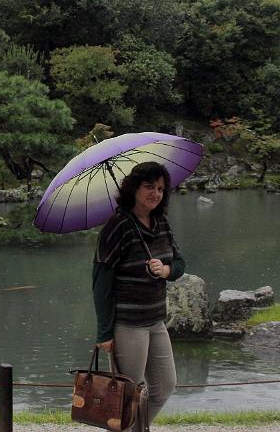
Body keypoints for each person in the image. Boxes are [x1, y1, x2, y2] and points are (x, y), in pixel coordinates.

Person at [93, 161, 185, 426]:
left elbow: (180, 263)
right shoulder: (117, 226)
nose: (155, 193)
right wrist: (104, 333)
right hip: (127, 325)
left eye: (160, 188)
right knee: (127, 394)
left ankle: (135, 430)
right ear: (133, 188)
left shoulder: (161, 223)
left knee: (164, 386)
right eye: (149, 187)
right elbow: (101, 282)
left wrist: (166, 270)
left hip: (156, 320)